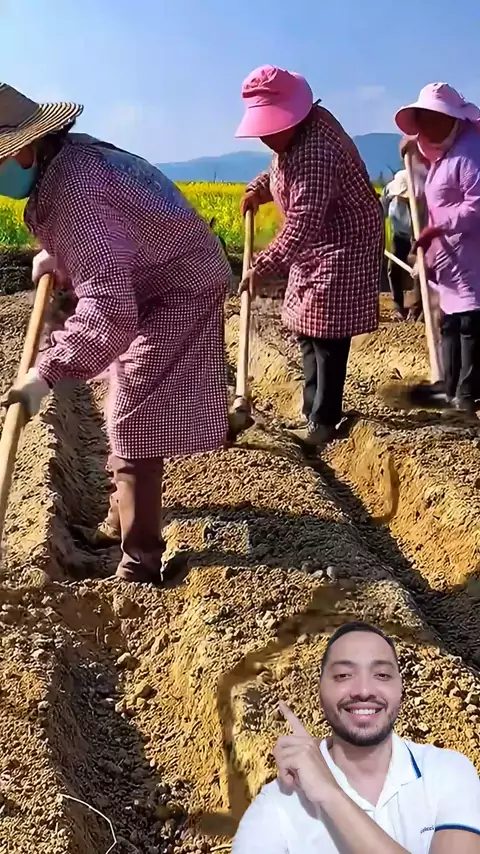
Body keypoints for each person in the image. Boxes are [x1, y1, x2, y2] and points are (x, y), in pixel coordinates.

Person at [0, 83, 230, 584]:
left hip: (179, 288)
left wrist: (46, 373)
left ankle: (140, 562)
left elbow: (109, 309)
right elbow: (113, 234)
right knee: (122, 401)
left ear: (26, 150)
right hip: (153, 276)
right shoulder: (67, 164)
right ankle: (120, 517)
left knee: (131, 416)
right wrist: (60, 255)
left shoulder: (75, 189)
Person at [232, 621, 480, 854]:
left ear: (400, 689)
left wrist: (331, 795)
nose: (363, 691)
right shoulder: (275, 807)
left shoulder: (447, 772)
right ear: (320, 690)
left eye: (381, 675)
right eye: (343, 675)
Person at [236, 65, 384, 447]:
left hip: (342, 246)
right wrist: (257, 190)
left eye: (270, 128)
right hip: (315, 245)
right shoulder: (295, 136)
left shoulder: (317, 149)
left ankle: (323, 420)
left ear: (292, 115)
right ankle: (311, 411)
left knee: (328, 334)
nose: (265, 137)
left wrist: (261, 267)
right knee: (306, 329)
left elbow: (303, 222)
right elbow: (279, 173)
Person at [396, 82, 480, 413]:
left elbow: (476, 205)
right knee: (452, 324)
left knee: (469, 325)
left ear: (452, 118)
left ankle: (465, 394)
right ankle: (450, 386)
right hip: (451, 260)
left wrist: (438, 227)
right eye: (422, 121)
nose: (426, 128)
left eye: (432, 119)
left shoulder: (470, 152)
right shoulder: (446, 154)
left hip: (471, 256)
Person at [381, 170, 415, 321]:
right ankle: (398, 306)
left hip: (419, 236)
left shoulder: (421, 197)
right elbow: (380, 212)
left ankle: (416, 308)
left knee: (419, 273)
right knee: (393, 268)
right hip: (399, 235)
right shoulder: (389, 192)